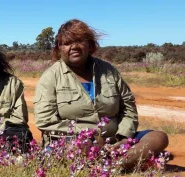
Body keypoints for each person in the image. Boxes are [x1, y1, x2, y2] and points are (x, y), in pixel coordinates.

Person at [33, 19, 169, 169]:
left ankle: (115, 164)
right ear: (59, 48)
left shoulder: (109, 71)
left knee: (159, 138)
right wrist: (88, 135)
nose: (74, 47)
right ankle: (130, 162)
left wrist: (124, 138)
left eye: (80, 41)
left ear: (90, 45)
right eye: (67, 43)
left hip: (114, 139)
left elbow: (128, 107)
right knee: (81, 148)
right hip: (73, 141)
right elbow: (45, 120)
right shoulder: (50, 76)